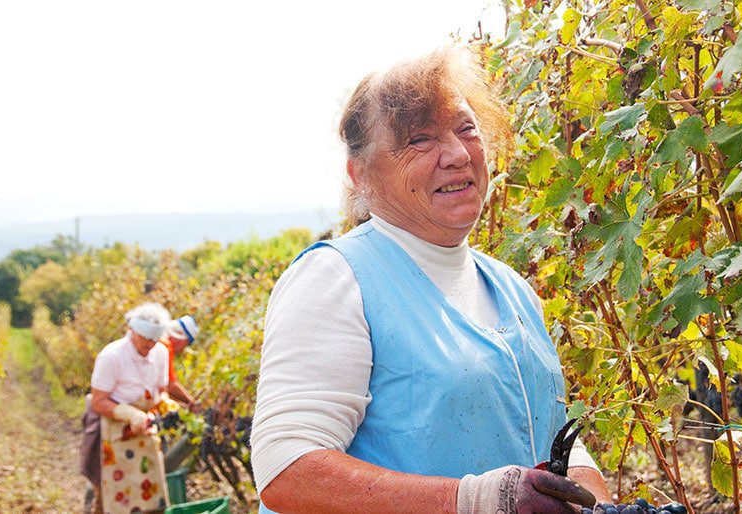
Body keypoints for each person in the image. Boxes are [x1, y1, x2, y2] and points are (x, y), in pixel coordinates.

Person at [250, 47, 612, 514]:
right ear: (360, 175)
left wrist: (597, 502)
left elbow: (551, 441)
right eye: (419, 139)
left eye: (466, 129)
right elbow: (286, 469)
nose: (458, 154)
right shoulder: (338, 279)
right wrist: (471, 500)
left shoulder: (511, 288)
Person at [81, 302, 175, 514]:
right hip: (114, 433)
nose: (150, 344)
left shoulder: (160, 353)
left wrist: (163, 406)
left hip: (146, 432)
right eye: (145, 338)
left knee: (151, 496)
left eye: (154, 339)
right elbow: (98, 401)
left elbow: (161, 390)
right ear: (132, 331)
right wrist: (130, 414)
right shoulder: (112, 356)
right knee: (115, 499)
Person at [160, 315, 200, 411]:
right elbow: (169, 385)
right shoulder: (164, 345)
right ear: (179, 334)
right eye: (185, 344)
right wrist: (192, 403)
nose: (182, 350)